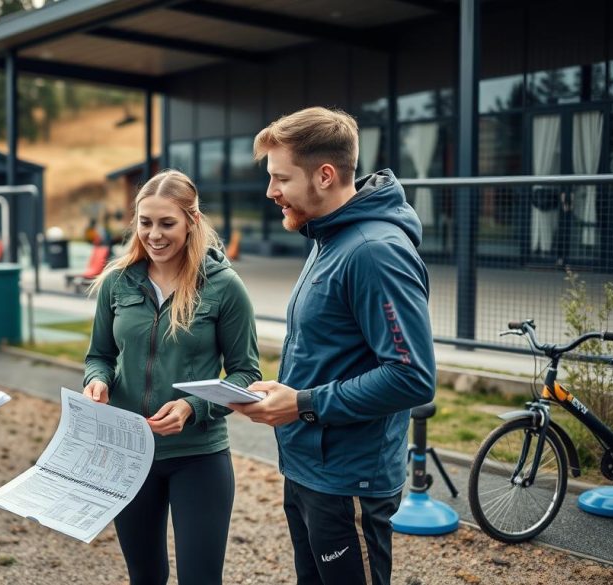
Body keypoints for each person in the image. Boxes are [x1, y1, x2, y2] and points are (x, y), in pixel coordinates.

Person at [230, 107, 435, 585]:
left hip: (348, 478)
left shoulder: (373, 251)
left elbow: (412, 376)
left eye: (281, 178)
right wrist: (286, 393)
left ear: (325, 175)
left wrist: (302, 402)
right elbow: (333, 351)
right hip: (309, 466)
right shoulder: (326, 237)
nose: (270, 191)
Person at [83, 169, 261, 585]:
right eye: (145, 223)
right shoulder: (117, 283)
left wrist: (193, 406)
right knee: (145, 577)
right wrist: (97, 381)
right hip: (130, 452)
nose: (154, 234)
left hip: (199, 457)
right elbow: (99, 355)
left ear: (192, 222)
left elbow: (246, 373)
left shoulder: (224, 287)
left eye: (167, 223)